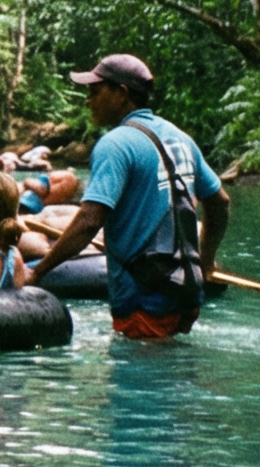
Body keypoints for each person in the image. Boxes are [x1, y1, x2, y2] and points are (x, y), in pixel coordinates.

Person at [21, 54, 230, 339]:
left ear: (122, 94)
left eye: (95, 92)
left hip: (144, 297)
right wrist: (205, 262)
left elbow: (89, 221)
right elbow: (219, 202)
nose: (88, 100)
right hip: (187, 292)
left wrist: (38, 272)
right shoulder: (180, 137)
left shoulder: (114, 145)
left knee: (143, 380)